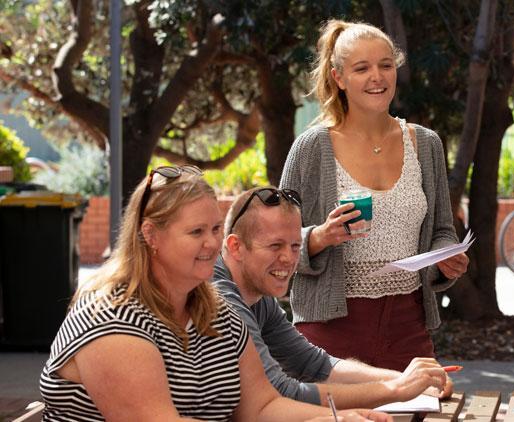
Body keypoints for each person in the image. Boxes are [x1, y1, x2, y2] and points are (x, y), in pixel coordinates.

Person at [39, 166, 389, 421]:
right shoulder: (112, 319)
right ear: (151, 235)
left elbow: (263, 406)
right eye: (195, 232)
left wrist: (332, 419)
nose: (212, 243)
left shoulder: (217, 309)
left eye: (215, 229)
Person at [279, 19, 468, 371]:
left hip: (408, 326)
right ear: (339, 78)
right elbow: (274, 242)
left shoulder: (425, 144)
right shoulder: (311, 148)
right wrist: (319, 237)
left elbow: (442, 229)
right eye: (362, 68)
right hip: (330, 332)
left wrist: (446, 257)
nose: (377, 77)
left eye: (385, 65)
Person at [213, 186, 453, 409]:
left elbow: (311, 363)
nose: (288, 258)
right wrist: (395, 388)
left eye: (296, 246)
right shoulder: (221, 297)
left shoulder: (257, 293)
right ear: (235, 247)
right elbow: (278, 392)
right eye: (275, 246)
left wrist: (412, 380)